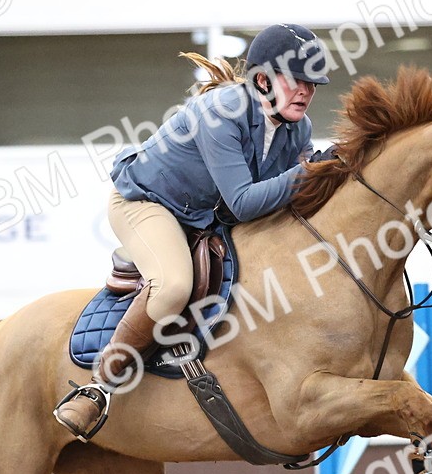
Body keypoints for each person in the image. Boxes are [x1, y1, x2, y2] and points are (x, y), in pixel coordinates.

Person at [54, 23, 336, 440]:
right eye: (295, 80)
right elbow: (244, 201)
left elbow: (291, 197)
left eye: (311, 83)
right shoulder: (221, 113)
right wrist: (312, 170)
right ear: (262, 79)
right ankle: (99, 386)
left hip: (203, 215)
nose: (306, 91)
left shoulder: (300, 128)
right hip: (146, 203)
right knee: (172, 286)